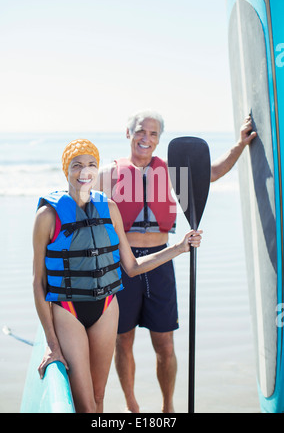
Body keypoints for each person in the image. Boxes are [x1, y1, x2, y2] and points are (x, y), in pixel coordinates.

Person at [97, 110, 256, 413]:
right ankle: (132, 405)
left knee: (165, 345)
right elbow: (82, 204)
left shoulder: (169, 171)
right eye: (141, 132)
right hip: (122, 264)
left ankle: (168, 407)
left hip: (160, 261)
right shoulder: (109, 173)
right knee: (123, 340)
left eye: (154, 134)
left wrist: (239, 145)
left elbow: (210, 173)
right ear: (128, 133)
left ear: (159, 139)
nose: (147, 138)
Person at [32, 138, 203, 414]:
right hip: (68, 309)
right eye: (77, 165)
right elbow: (38, 283)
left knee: (99, 398)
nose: (84, 172)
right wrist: (52, 344)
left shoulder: (109, 208)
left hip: (107, 308)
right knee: (85, 406)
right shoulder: (47, 216)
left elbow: (132, 266)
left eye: (91, 165)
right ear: (66, 170)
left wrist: (179, 248)